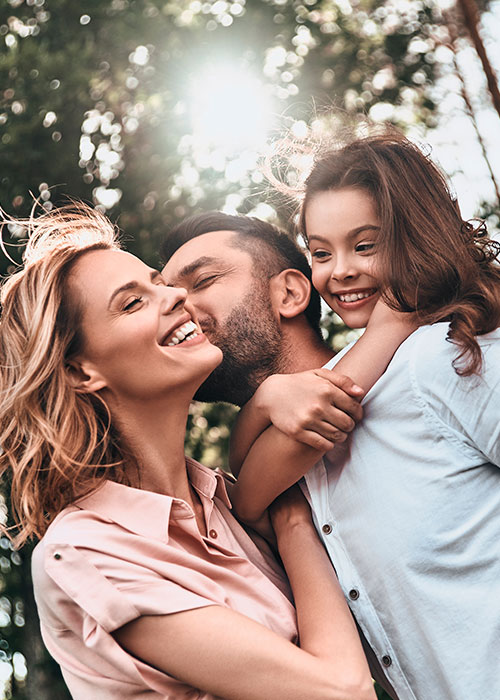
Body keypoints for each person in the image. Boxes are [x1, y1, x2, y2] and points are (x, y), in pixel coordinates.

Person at [161, 128, 500, 700]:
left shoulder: (444, 357)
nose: (176, 308)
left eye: (203, 281)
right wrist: (270, 398)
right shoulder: (271, 478)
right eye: (323, 252)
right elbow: (248, 489)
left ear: (292, 294)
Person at [0, 204, 378, 700]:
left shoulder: (226, 502)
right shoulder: (86, 554)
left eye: (160, 283)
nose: (177, 296)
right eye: (132, 303)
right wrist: (290, 518)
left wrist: (265, 403)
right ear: (79, 372)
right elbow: (344, 691)